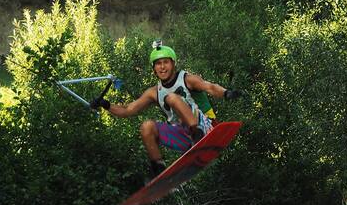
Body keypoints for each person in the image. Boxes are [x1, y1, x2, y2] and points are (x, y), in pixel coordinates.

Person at [89, 41, 243, 178]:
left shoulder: (187, 79)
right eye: (158, 64)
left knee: (171, 98)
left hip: (206, 128)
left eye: (166, 62)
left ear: (173, 64)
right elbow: (128, 110)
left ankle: (196, 134)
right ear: (154, 69)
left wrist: (226, 93)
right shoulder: (153, 92)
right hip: (183, 137)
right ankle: (159, 169)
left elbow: (210, 87)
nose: (162, 67)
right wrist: (105, 104)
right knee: (146, 127)